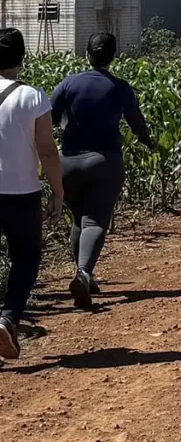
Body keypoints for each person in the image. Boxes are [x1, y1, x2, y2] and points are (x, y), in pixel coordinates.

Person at [50, 32, 158, 309]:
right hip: (104, 161)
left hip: (69, 161)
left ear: (87, 54)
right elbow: (137, 124)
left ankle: (84, 274)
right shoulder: (120, 88)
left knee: (77, 218)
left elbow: (48, 117)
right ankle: (84, 274)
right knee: (95, 220)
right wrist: (149, 143)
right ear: (114, 57)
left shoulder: (69, 82)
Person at [0, 28, 63, 360]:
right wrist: (58, 190)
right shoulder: (33, 97)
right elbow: (48, 151)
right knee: (25, 258)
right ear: (22, 57)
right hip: (21, 192)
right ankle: (8, 317)